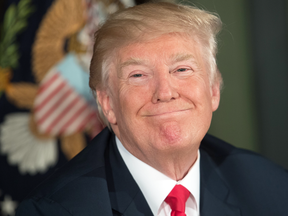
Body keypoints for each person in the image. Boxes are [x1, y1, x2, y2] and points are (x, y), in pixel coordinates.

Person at [16, 2, 288, 216]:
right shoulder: (53, 210)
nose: (165, 92)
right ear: (108, 103)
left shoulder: (271, 188)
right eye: (138, 75)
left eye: (182, 69)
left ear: (213, 90)